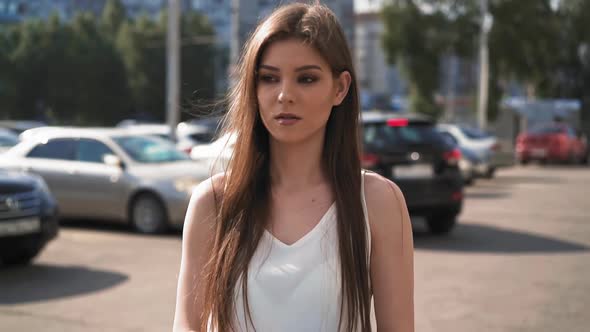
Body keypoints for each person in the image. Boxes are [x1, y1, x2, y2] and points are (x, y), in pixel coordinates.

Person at [173, 3, 414, 332]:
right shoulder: (213, 203)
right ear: (253, 89)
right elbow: (188, 325)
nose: (285, 94)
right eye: (269, 78)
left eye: (307, 78)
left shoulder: (376, 202)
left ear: (340, 88)